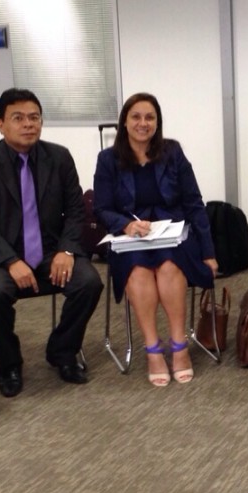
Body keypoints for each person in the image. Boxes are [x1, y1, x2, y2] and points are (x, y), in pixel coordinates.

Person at [0, 88, 103, 398]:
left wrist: (66, 250)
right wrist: (11, 261)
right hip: (1, 255)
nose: (28, 124)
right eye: (18, 118)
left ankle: (62, 351)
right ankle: (9, 361)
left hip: (51, 250)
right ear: (0, 125)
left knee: (89, 282)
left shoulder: (59, 157)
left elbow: (76, 210)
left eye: (34, 117)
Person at [93, 93, 217, 387]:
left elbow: (194, 203)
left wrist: (209, 252)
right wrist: (125, 225)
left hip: (173, 235)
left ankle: (179, 345)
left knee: (169, 267)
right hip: (130, 238)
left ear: (158, 122)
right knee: (138, 271)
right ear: (124, 122)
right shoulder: (108, 159)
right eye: (136, 117)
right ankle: (152, 349)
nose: (143, 123)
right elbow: (101, 208)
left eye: (150, 117)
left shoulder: (172, 152)